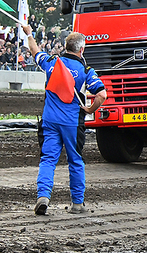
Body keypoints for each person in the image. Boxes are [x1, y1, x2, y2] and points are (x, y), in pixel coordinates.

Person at [22, 23, 107, 216]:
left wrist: (29, 34)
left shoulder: (52, 62)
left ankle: (43, 197)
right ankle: (77, 204)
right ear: (82, 49)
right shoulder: (86, 71)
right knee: (75, 161)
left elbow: (35, 50)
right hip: (72, 123)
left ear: (65, 47)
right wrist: (89, 109)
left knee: (48, 160)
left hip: (50, 121)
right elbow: (102, 94)